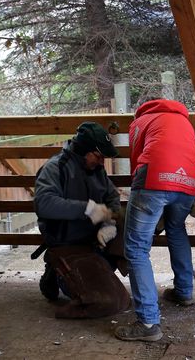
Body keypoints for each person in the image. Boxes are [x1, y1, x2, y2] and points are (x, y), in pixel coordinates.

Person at [114, 98, 195, 342]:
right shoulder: (184, 121)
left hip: (154, 179)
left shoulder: (142, 121)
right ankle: (184, 291)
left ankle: (148, 322)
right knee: (176, 228)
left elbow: (137, 160)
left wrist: (142, 192)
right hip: (190, 182)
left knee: (136, 249)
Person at [33, 121, 131, 319]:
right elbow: (43, 203)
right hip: (67, 243)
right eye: (98, 156)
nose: (102, 162)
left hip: (94, 240)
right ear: (83, 150)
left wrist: (108, 224)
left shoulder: (97, 170)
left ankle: (104, 268)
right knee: (108, 302)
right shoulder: (55, 168)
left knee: (132, 217)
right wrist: (87, 209)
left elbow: (112, 197)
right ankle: (56, 271)